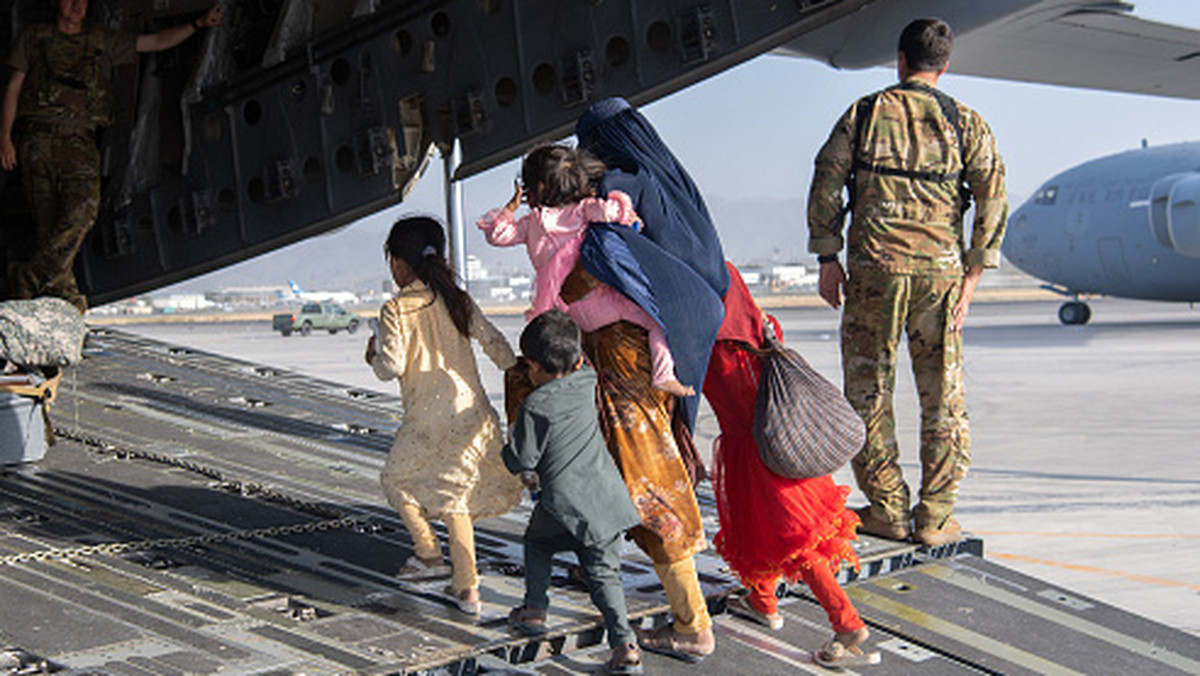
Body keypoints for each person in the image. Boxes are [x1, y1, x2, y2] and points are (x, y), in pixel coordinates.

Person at [807, 18, 1008, 546]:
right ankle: (935, 516)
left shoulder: (865, 113)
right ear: (944, 65)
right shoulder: (966, 122)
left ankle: (888, 508)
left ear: (899, 60)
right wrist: (973, 275)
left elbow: (827, 179)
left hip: (875, 273)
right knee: (943, 397)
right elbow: (992, 196)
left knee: (869, 394)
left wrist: (828, 256)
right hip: (939, 277)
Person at [568, 97, 727, 662]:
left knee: (647, 478)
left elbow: (607, 261)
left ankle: (692, 624)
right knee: (640, 469)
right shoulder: (671, 183)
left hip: (627, 357)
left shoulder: (617, 184)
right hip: (671, 343)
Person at [0, 0, 224, 312]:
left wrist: (198, 24)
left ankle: (25, 277)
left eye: (83, 1)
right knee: (48, 228)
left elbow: (156, 42)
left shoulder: (101, 41)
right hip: (37, 139)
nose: (78, 5)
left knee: (82, 215)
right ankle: (67, 305)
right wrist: (5, 138)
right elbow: (13, 87)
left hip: (79, 142)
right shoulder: (34, 37)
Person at [708, 263, 879, 669]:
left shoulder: (713, 350)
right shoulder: (764, 326)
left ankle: (846, 622)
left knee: (796, 540)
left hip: (758, 459)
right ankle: (762, 601)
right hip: (788, 450)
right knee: (762, 530)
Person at [364, 216, 522, 616]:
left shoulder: (396, 309)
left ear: (397, 263)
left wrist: (373, 356)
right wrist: (516, 368)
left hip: (427, 418)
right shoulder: (457, 298)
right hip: (472, 413)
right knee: (456, 499)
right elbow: (495, 345)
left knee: (396, 480)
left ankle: (430, 555)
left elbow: (392, 366)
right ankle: (466, 588)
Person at [478, 143, 693, 396]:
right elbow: (611, 211)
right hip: (604, 305)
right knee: (658, 322)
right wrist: (630, 218)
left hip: (567, 314)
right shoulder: (582, 209)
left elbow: (498, 235)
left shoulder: (530, 224)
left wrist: (510, 207)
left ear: (538, 187)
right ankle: (663, 375)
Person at [502, 310, 644, 676]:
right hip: (608, 499)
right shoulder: (587, 377)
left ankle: (534, 609)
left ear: (534, 365)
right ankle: (625, 646)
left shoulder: (536, 404)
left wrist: (507, 443)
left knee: (537, 544)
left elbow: (522, 459)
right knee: (603, 575)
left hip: (564, 504)